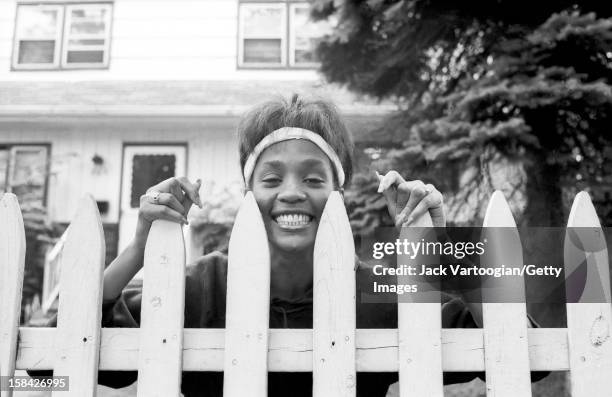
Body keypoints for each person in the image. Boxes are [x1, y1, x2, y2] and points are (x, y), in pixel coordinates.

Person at [29, 94, 547, 396]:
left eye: (315, 179)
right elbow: (46, 363)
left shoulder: (382, 294)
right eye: (271, 178)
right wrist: (140, 247)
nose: (293, 192)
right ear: (249, 193)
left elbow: (524, 354)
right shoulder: (198, 287)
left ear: (339, 194)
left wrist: (448, 253)